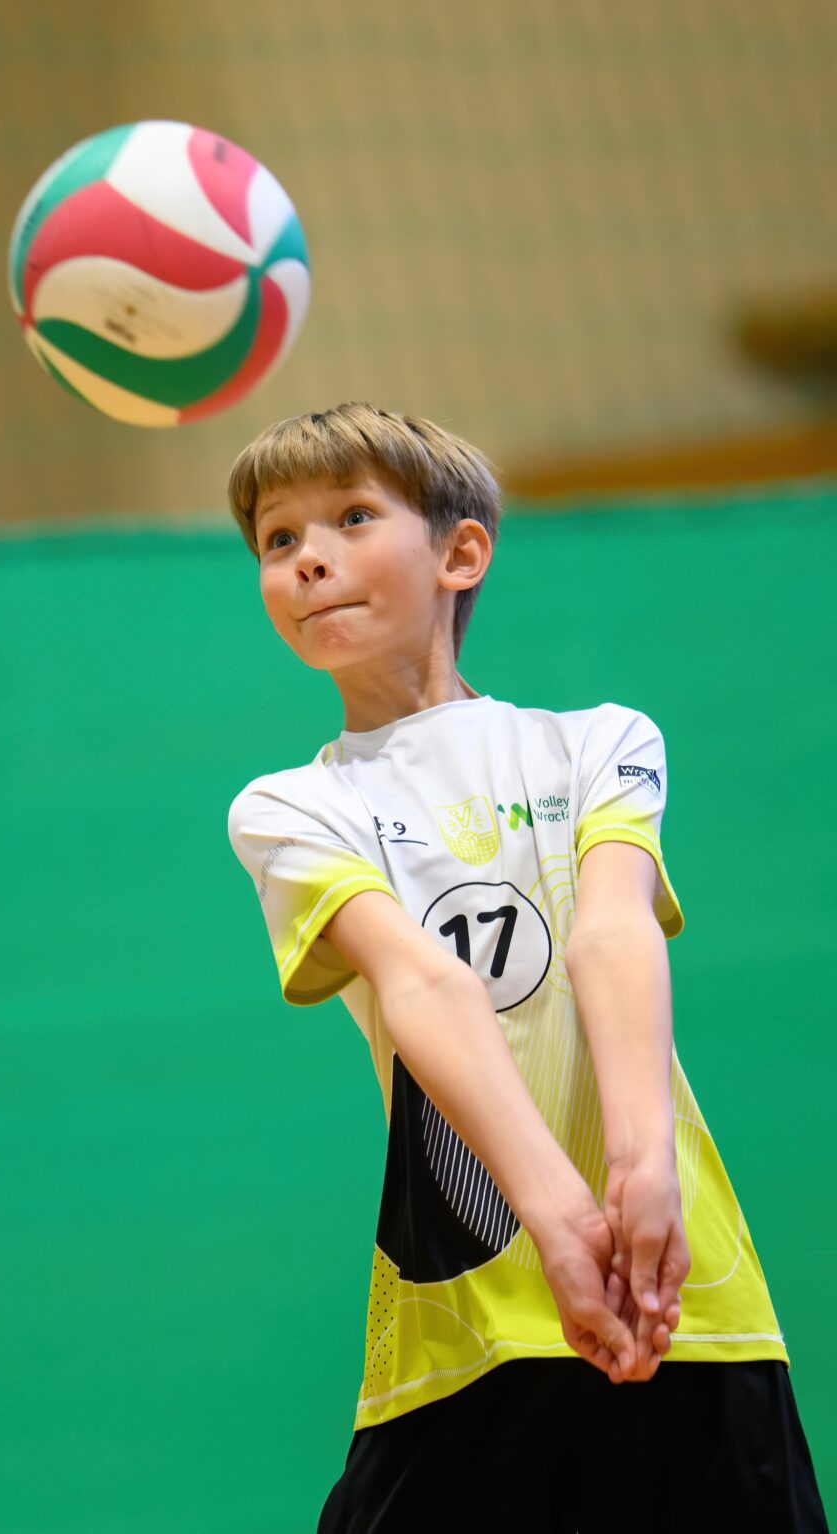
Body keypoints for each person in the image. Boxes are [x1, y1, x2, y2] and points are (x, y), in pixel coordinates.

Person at [226, 402, 827, 1532]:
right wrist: (556, 1216)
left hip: (682, 1287)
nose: (308, 558)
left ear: (460, 553)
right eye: (278, 539)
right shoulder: (290, 808)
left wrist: (641, 1170)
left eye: (351, 518)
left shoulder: (599, 743)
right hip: (471, 1310)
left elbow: (611, 935)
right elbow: (425, 986)